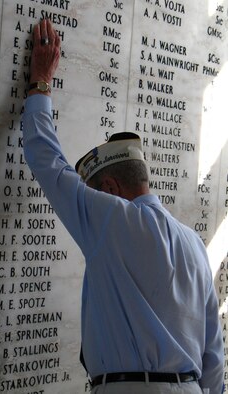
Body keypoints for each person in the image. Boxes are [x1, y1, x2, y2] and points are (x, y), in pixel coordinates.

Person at [22, 19, 224, 394]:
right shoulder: (195, 245)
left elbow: (47, 162)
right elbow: (214, 356)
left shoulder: (111, 217)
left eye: (95, 189)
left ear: (110, 186)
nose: (94, 197)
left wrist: (40, 83)